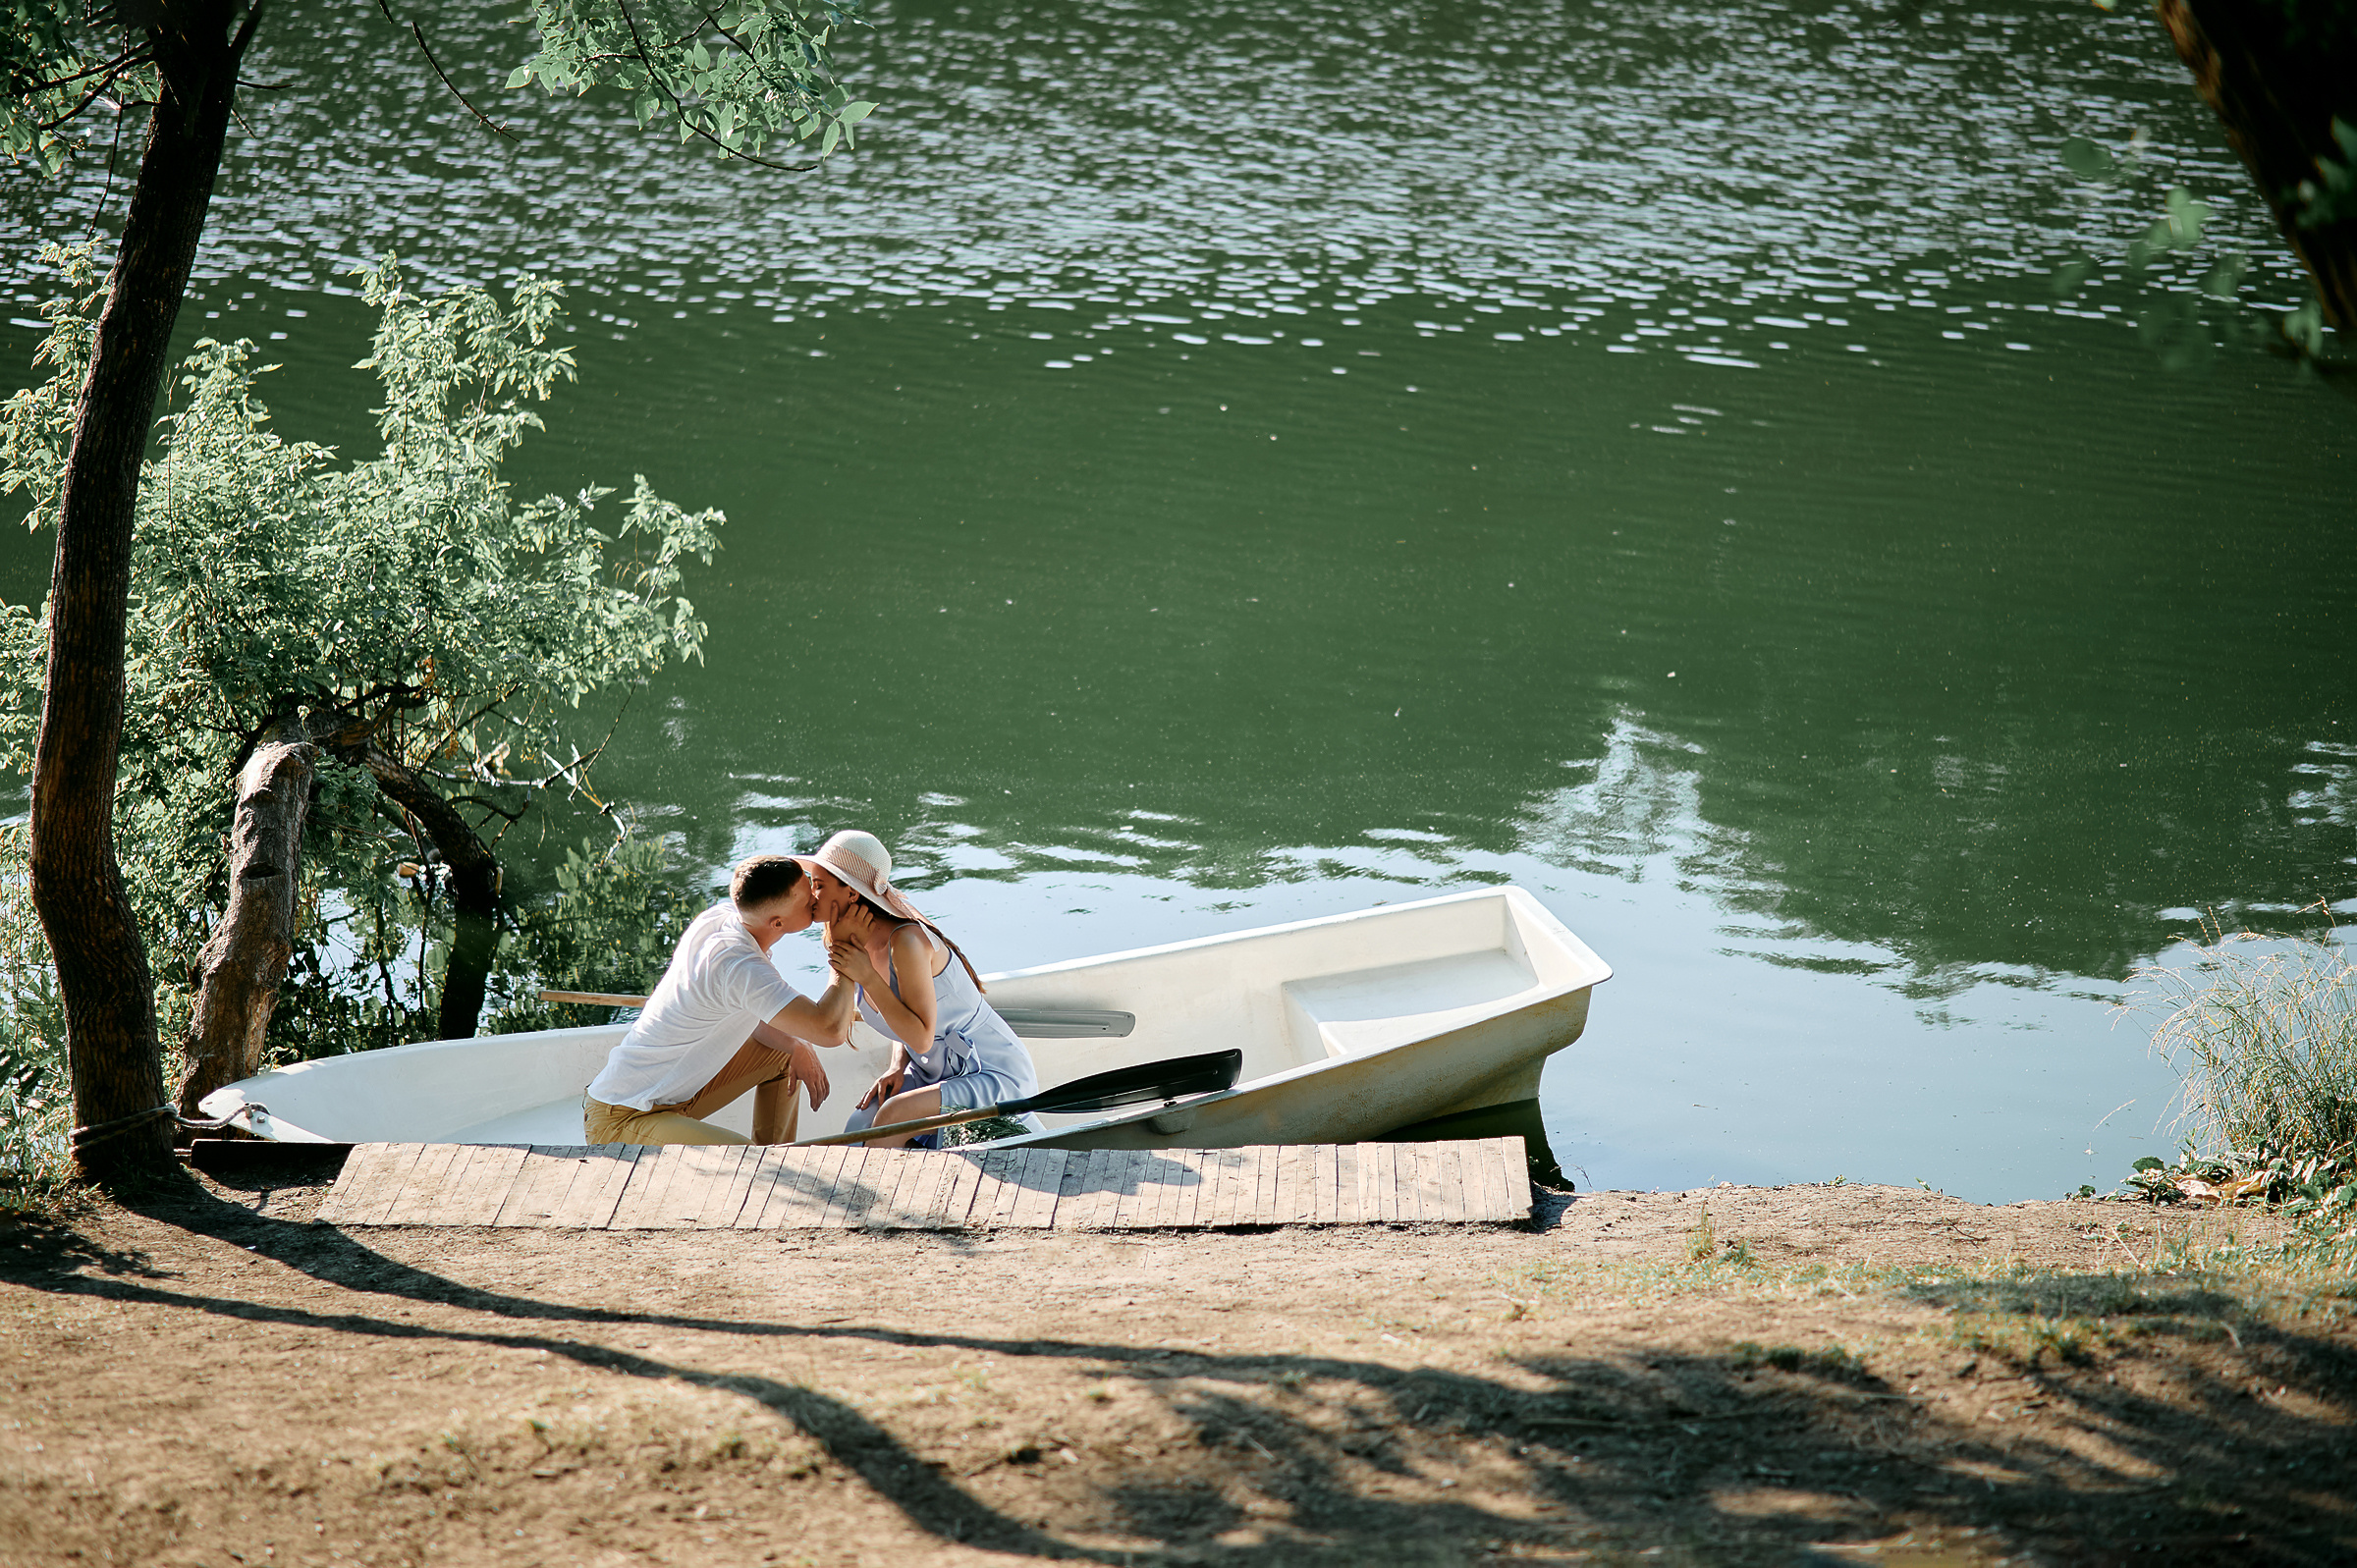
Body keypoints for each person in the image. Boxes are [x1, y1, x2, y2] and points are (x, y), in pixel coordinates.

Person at [581, 854, 857, 1146]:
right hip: (624, 1116)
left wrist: (796, 1045)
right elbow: (831, 1031)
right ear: (777, 922)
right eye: (807, 900)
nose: (815, 899)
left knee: (787, 1051)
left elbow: (752, 1014)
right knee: (747, 1160)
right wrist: (843, 946)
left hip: (673, 1096)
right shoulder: (741, 967)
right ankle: (769, 1163)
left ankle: (777, 1153)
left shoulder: (722, 918)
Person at [795, 830, 1041, 1148]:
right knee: (861, 1123)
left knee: (892, 1115)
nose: (811, 895)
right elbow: (899, 1013)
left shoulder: (907, 942)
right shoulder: (855, 943)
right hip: (931, 1072)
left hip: (989, 1069)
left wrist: (867, 977)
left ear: (852, 893)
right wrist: (898, 1065)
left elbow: (922, 1037)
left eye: (819, 885)